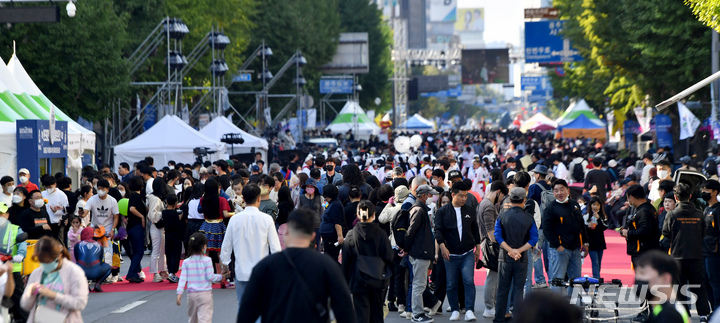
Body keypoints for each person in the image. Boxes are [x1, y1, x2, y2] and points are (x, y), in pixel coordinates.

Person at [237, 208, 356, 323]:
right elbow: (344, 309)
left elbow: (247, 310)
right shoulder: (327, 265)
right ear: (313, 236)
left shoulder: (266, 266)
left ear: (287, 231)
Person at [220, 183, 281, 310]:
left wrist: (225, 264)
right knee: (261, 307)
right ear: (259, 198)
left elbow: (226, 245)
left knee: (243, 307)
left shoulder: (235, 219)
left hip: (241, 271)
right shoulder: (267, 219)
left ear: (243, 198)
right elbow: (275, 248)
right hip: (261, 272)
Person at [662, 183, 711, 320]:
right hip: (696, 255)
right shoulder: (700, 215)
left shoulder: (672, 214)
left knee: (679, 288)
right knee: (699, 287)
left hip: (678, 256)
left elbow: (665, 232)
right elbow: (704, 233)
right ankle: (703, 315)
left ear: (676, 198)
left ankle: (685, 315)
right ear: (690, 196)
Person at [434, 182, 481, 321]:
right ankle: (455, 309)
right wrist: (442, 246)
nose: (464, 198)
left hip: (467, 253)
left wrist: (478, 247)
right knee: (451, 283)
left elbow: (475, 229)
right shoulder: (442, 212)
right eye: (461, 196)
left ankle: (469, 310)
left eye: (466, 196)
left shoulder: (470, 210)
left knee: (468, 281)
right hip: (450, 254)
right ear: (453, 194)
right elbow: (438, 231)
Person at [342, 200, 393, 323]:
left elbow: (346, 262)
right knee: (377, 314)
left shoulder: (351, 235)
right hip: (378, 280)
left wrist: (346, 283)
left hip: (358, 281)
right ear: (373, 215)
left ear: (358, 215)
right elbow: (389, 257)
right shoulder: (381, 234)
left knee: (361, 316)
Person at [493, 187, 538, 323]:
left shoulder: (502, 216)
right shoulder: (529, 218)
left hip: (505, 257)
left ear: (510, 199)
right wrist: (518, 251)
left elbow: (498, 236)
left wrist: (510, 250)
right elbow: (533, 239)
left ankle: (499, 319)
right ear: (524, 200)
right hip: (521, 258)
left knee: (502, 289)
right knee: (519, 290)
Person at [20, 237, 88, 323]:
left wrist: (53, 295)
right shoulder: (37, 273)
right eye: (41, 261)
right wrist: (30, 293)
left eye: (47, 261)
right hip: (40, 319)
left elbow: (80, 303)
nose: (44, 265)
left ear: (58, 256)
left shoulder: (74, 272)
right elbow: (25, 305)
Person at [542, 179, 588, 293]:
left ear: (567, 190)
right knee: (558, 280)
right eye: (556, 191)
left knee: (576, 280)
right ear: (553, 193)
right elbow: (547, 230)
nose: (559, 193)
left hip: (576, 248)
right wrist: (558, 246)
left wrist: (585, 243)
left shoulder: (575, 204)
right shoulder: (550, 208)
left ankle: (573, 307)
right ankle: (555, 308)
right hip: (560, 250)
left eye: (562, 189)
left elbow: (582, 225)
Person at [405, 184, 439, 323]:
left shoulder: (420, 209)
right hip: (420, 252)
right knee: (419, 285)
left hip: (421, 252)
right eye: (430, 195)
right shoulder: (419, 210)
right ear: (424, 195)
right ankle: (417, 314)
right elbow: (411, 232)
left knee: (419, 284)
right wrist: (406, 247)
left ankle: (417, 312)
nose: (432, 197)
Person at [177, 233, 225, 323]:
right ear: (204, 247)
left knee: (192, 319)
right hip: (205, 293)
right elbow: (210, 277)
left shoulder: (186, 262)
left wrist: (179, 293)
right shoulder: (207, 260)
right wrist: (221, 277)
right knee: (205, 318)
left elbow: (183, 279)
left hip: (191, 295)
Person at [477, 180, 508, 318]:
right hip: (490, 245)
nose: (501, 200)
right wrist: (499, 244)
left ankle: (491, 306)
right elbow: (490, 231)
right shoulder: (489, 206)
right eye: (501, 197)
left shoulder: (484, 202)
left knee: (493, 276)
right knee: (493, 277)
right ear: (498, 192)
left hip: (486, 243)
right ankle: (489, 307)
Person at [633, 250, 689, 323]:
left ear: (665, 278)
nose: (638, 279)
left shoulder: (669, 316)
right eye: (637, 275)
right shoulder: (661, 310)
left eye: (643, 273)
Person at [199, 178, 231, 288]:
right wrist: (236, 213)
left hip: (207, 225)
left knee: (205, 253)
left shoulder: (203, 200)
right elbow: (226, 214)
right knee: (220, 253)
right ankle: (223, 277)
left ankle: (206, 276)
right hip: (219, 226)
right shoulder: (222, 200)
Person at [0, 202, 28, 322]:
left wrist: (20, 254)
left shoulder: (15, 229)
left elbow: (22, 243)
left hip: (12, 268)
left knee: (18, 298)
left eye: (1, 214)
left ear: (6, 215)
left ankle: (22, 319)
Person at [620, 184, 659, 266]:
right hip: (647, 249)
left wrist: (628, 233)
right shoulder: (649, 208)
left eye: (627, 198)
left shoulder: (644, 211)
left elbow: (645, 231)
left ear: (631, 197)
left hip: (642, 251)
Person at [84, 179, 119, 269]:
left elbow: (116, 217)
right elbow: (85, 211)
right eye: (99, 188)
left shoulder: (112, 201)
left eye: (103, 188)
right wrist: (82, 213)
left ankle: (108, 273)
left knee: (107, 253)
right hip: (95, 230)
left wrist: (112, 230)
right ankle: (94, 272)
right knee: (94, 253)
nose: (100, 190)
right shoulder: (92, 199)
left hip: (107, 231)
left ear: (107, 189)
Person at [74, 227, 111, 292]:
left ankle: (85, 284)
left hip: (82, 272)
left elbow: (77, 259)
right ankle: (98, 284)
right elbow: (100, 260)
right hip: (96, 272)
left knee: (75, 266)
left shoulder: (78, 245)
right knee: (108, 267)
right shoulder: (99, 245)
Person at [701, 179, 720, 309]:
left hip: (714, 253)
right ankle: (713, 310)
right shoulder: (706, 209)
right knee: (706, 282)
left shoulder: (718, 210)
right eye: (703, 190)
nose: (704, 192)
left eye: (707, 190)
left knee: (715, 283)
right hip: (704, 251)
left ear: (715, 192)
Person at [125, 177, 147, 283]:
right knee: (139, 251)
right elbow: (132, 209)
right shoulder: (137, 196)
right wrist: (142, 216)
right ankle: (131, 273)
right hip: (136, 226)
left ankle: (134, 273)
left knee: (136, 251)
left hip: (132, 226)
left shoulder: (132, 196)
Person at [584, 196, 608, 279]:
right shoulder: (586, 217)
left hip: (600, 242)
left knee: (599, 262)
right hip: (591, 243)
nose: (595, 207)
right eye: (594, 204)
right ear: (590, 205)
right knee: (595, 261)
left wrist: (598, 219)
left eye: (597, 205)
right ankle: (597, 278)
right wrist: (588, 226)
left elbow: (605, 227)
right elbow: (583, 230)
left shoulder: (602, 217)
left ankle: (596, 277)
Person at [320, 184, 345, 263]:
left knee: (331, 258)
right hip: (327, 235)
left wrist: (340, 236)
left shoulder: (335, 205)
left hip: (331, 236)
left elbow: (337, 222)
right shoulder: (331, 203)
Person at [297, 178, 323, 249]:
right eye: (308, 186)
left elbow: (322, 212)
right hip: (305, 225)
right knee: (305, 246)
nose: (309, 188)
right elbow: (297, 210)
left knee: (317, 246)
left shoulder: (320, 198)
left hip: (317, 225)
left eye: (311, 187)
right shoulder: (301, 198)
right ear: (305, 188)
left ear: (315, 188)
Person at [41, 176, 68, 241]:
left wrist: (56, 211)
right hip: (45, 222)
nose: (48, 189)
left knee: (58, 242)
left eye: (50, 187)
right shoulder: (42, 194)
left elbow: (66, 210)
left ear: (55, 184)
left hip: (57, 223)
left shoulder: (61, 195)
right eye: (46, 187)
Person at [163, 194, 183, 283]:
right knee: (175, 254)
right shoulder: (175, 214)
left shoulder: (164, 213)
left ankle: (170, 271)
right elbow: (178, 226)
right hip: (176, 236)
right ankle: (172, 273)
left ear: (166, 202)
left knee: (169, 254)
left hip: (167, 235)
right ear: (175, 203)